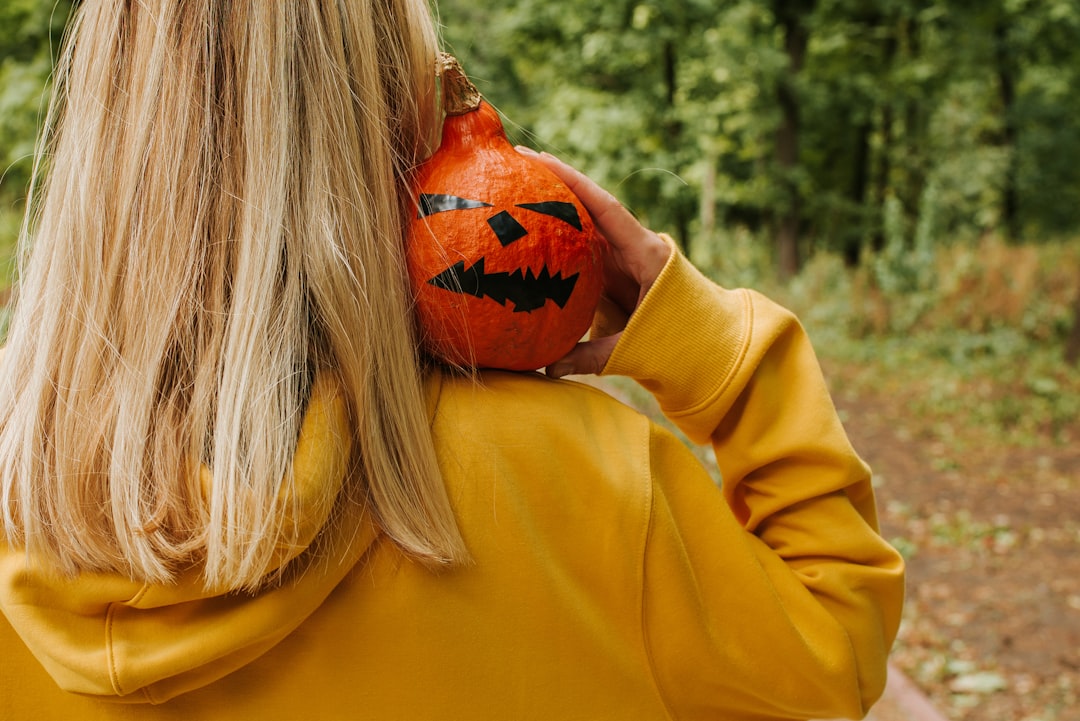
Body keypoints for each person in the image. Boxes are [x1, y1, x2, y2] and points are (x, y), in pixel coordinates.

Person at [0, 1, 904, 719]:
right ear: (395, 133)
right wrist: (718, 352)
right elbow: (837, 654)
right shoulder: (584, 476)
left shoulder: (20, 501)